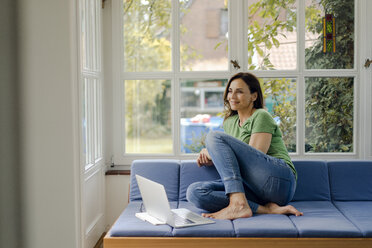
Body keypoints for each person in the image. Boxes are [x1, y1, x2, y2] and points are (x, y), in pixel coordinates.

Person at [186, 72, 303, 220]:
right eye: (230, 91)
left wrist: (210, 151)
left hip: (279, 180)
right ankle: (262, 209)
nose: (232, 96)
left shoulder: (261, 115)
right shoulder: (229, 123)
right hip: (254, 188)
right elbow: (233, 163)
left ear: (253, 96)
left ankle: (238, 204)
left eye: (239, 91)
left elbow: (256, 156)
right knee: (195, 192)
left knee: (213, 137)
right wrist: (216, 156)